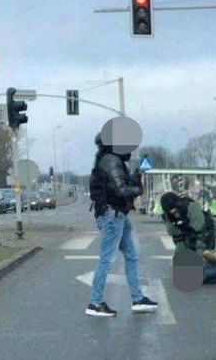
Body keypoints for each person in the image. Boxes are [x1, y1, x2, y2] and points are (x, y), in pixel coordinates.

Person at [86, 133, 158, 317]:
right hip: (112, 215)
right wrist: (139, 189)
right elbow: (121, 190)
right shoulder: (110, 160)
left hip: (119, 216)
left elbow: (122, 184)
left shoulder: (113, 160)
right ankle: (94, 303)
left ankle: (138, 299)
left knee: (132, 256)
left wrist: (138, 173)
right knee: (107, 259)